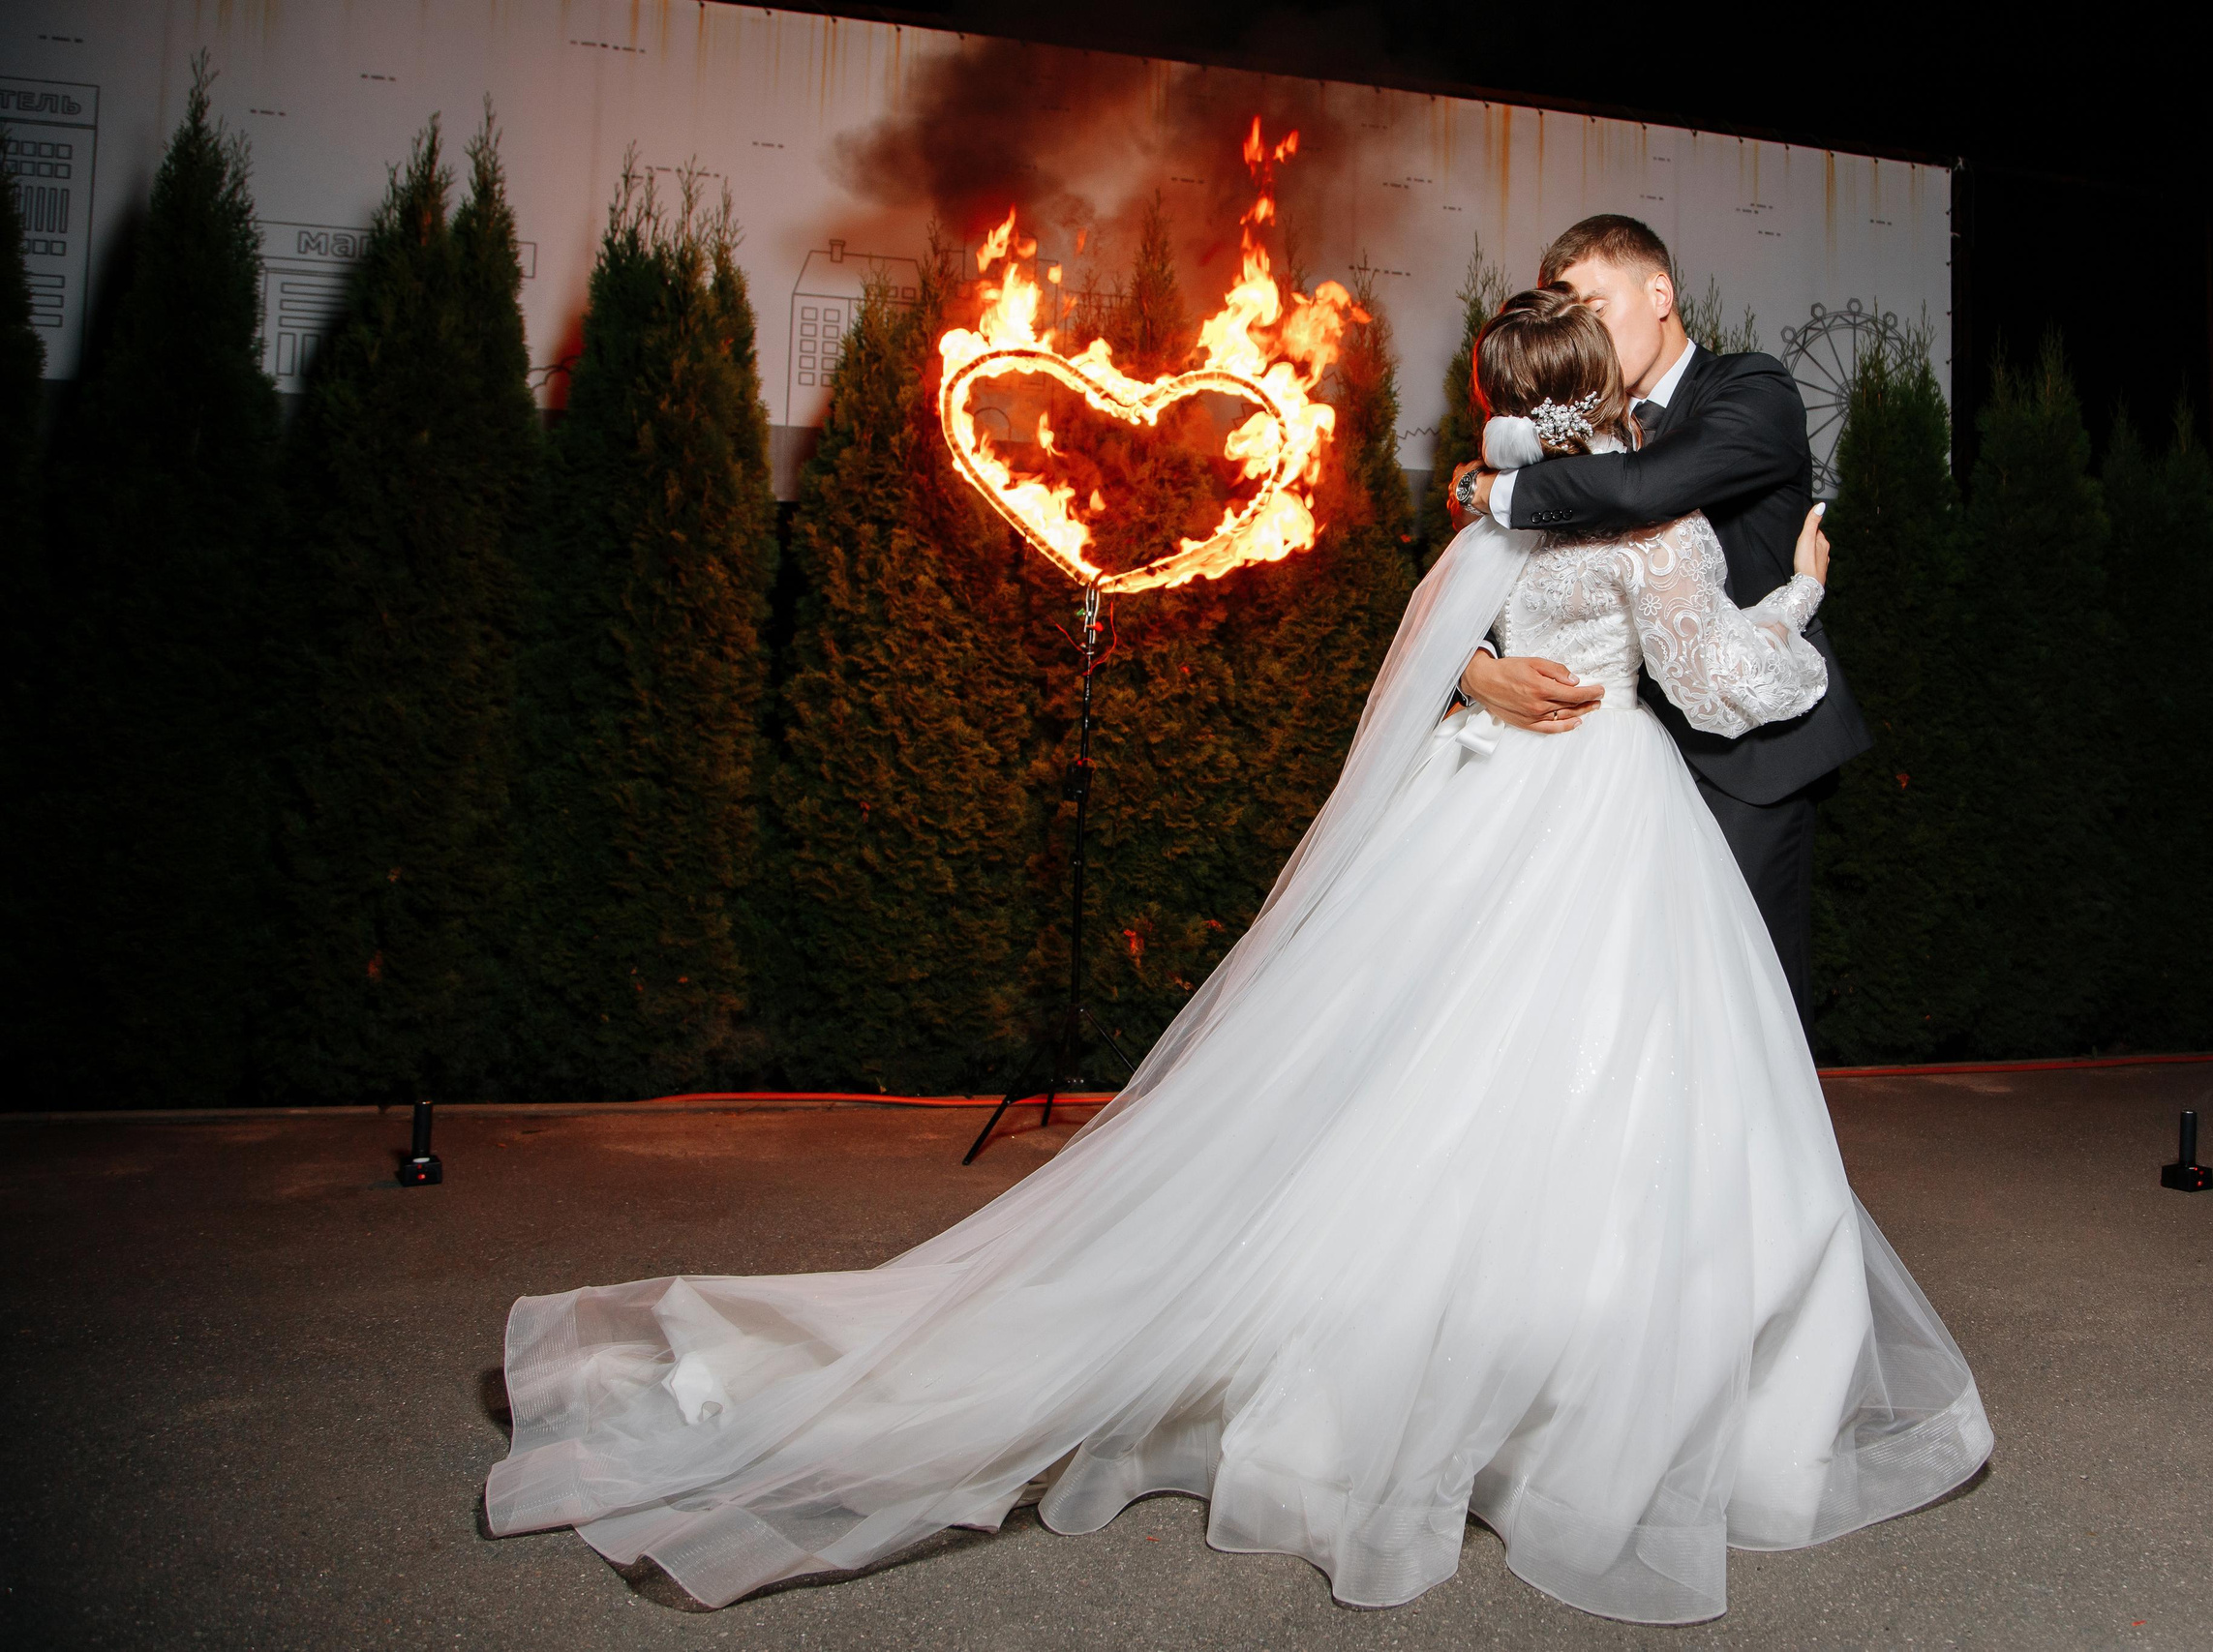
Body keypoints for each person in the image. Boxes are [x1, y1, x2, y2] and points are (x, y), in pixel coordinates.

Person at [484, 286, 1991, 1627]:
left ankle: (1386, 1371)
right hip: (1604, 817)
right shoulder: (1647, 522)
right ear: (1604, 384)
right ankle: (1558, 1406)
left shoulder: (1496, 519)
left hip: (1473, 815)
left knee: (1408, 1095)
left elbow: (1414, 668)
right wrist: (1801, 584)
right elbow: (1726, 688)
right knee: (1599, 1108)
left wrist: (1480, 659)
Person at [1451, 215, 1872, 1040]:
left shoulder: (1753, 390)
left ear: (1661, 293)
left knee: (1738, 1018)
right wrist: (1477, 667)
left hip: (1743, 753)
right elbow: (1509, 587)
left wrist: (1486, 489)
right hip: (1598, 765)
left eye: (1593, 304)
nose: (1583, 330)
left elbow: (1643, 491)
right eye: (1564, 312)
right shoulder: (1565, 432)